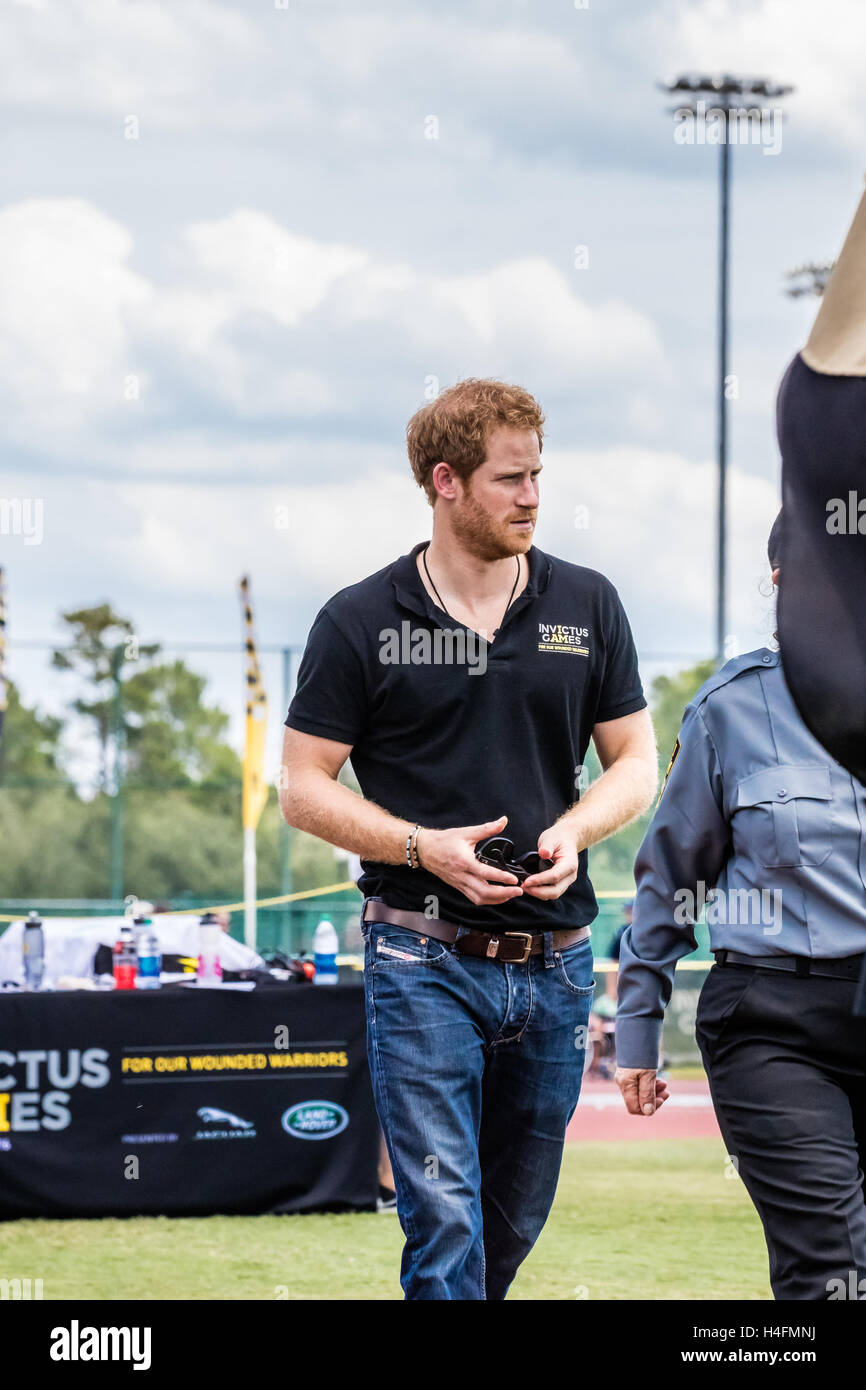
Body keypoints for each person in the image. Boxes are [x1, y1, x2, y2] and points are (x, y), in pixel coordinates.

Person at [280, 378, 657, 1300]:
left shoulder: (589, 604)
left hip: (560, 959)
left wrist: (575, 828)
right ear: (445, 482)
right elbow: (300, 786)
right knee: (443, 1217)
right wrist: (420, 847)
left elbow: (637, 765)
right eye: (509, 479)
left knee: (511, 1222)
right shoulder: (359, 621)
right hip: (421, 953)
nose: (532, 496)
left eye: (538, 475)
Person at [615, 515, 866, 1300]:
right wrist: (638, 1027)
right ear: (782, 583)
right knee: (835, 1267)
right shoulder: (730, 709)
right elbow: (668, 880)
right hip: (775, 1022)